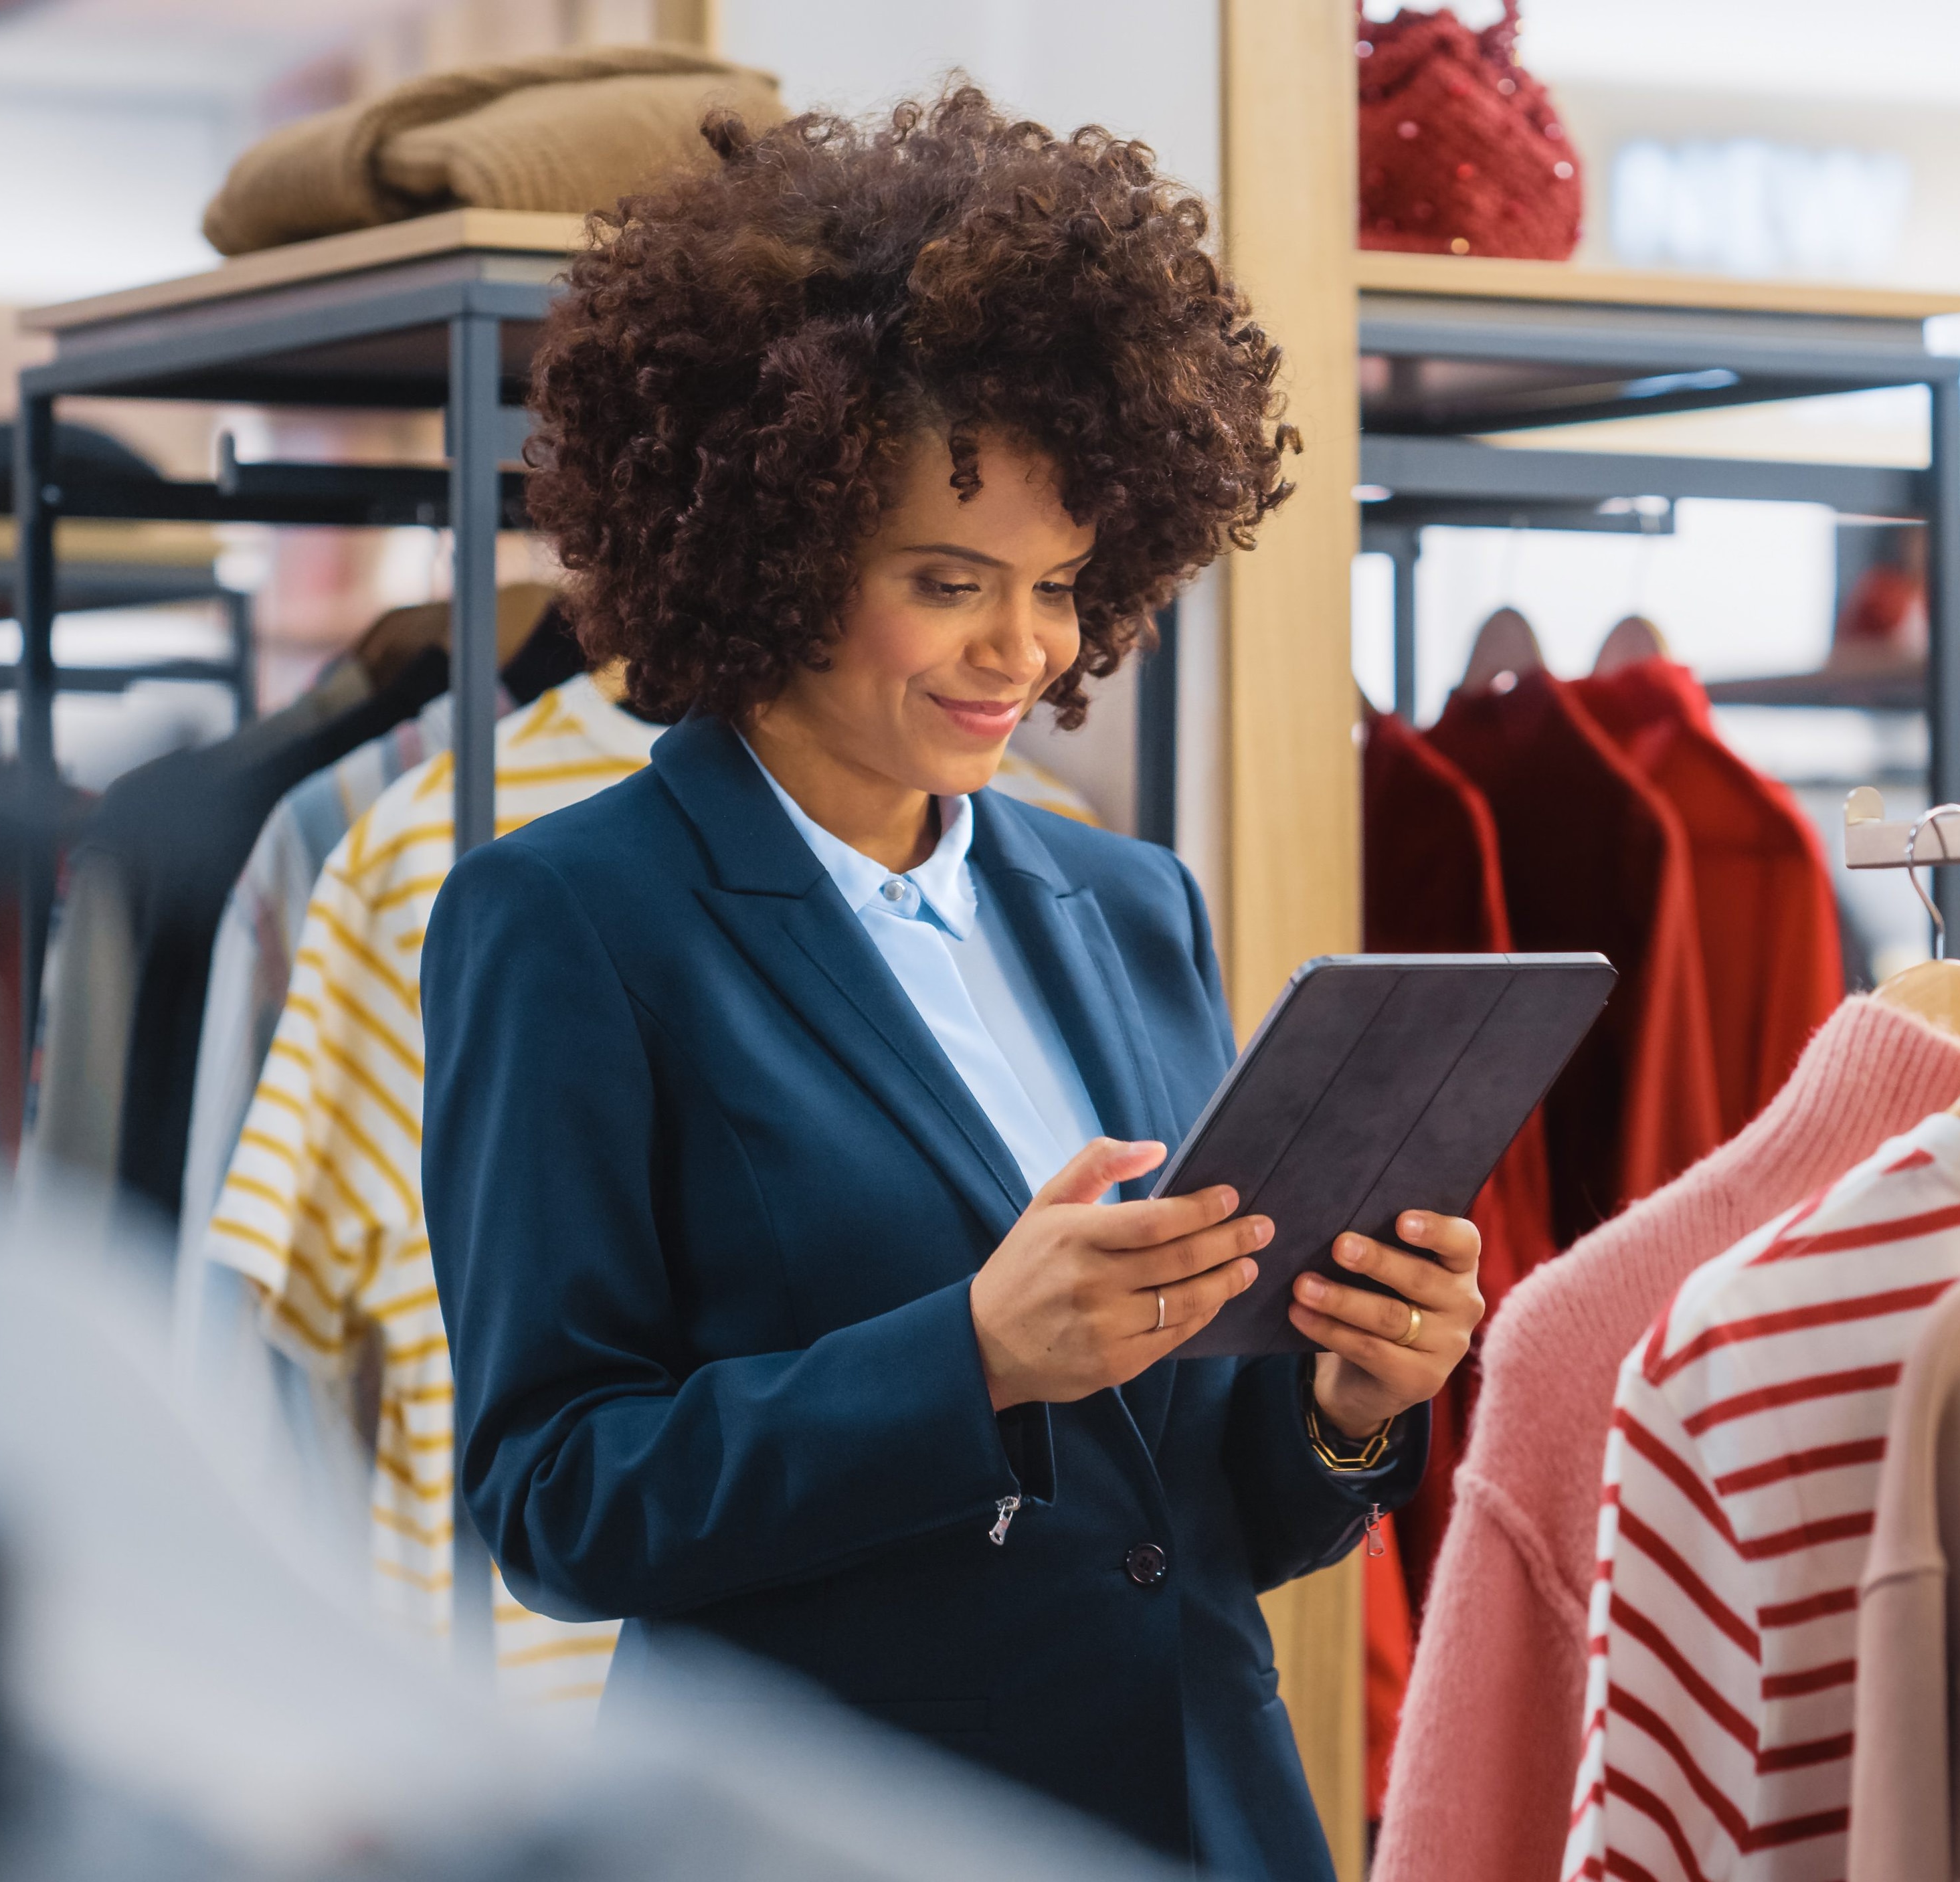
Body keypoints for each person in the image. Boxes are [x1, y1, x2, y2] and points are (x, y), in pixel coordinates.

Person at [420, 92, 1484, 1876]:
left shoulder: (1129, 904)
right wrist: (970, 1357)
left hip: (1205, 1823)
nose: (1026, 652)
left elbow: (1200, 1518)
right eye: (950, 581)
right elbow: (556, 1501)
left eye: (1060, 587)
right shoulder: (569, 920)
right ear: (773, 545)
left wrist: (1350, 1406)